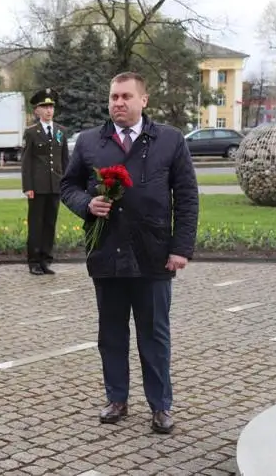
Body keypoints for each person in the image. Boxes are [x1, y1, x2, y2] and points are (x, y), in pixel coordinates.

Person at [60, 72, 199, 434]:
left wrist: (180, 248)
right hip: (106, 254)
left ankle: (161, 406)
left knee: (154, 336)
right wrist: (86, 203)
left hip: (153, 256)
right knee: (111, 335)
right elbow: (68, 185)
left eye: (125, 96)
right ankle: (117, 399)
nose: (118, 103)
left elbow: (186, 197)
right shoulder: (91, 142)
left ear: (143, 100)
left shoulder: (169, 141)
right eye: (113, 97)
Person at [21, 88, 69, 276]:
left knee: (50, 223)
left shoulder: (60, 131)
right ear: (37, 111)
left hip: (55, 185)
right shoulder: (32, 132)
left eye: (51, 107)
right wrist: (28, 186)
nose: (49, 110)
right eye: (45, 107)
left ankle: (46, 259)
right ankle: (33, 260)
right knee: (36, 224)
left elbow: (65, 160)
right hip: (37, 187)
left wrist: (67, 183)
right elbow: (26, 162)